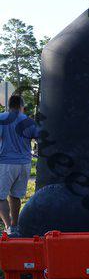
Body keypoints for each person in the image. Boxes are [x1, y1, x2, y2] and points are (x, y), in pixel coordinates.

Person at [0, 95, 39, 237]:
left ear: (9, 105)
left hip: (6, 163)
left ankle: (8, 226)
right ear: (22, 106)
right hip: (25, 164)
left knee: (0, 197)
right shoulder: (29, 121)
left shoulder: (2, 118)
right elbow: (39, 139)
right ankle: (15, 227)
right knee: (16, 196)